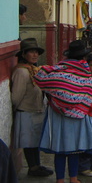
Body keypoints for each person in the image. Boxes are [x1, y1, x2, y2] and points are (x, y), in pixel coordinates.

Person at [34, 40, 92, 183]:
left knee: (60, 149)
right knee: (75, 149)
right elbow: (89, 96)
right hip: (78, 116)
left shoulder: (58, 70)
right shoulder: (85, 74)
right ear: (83, 57)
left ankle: (59, 179)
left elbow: (42, 80)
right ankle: (73, 178)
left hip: (58, 115)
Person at [11, 38, 53, 177]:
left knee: (34, 141)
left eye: (36, 52)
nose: (35, 55)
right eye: (31, 52)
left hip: (36, 111)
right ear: (23, 55)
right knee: (28, 142)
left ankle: (36, 165)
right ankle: (33, 167)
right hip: (26, 111)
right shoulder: (21, 73)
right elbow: (16, 96)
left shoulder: (34, 70)